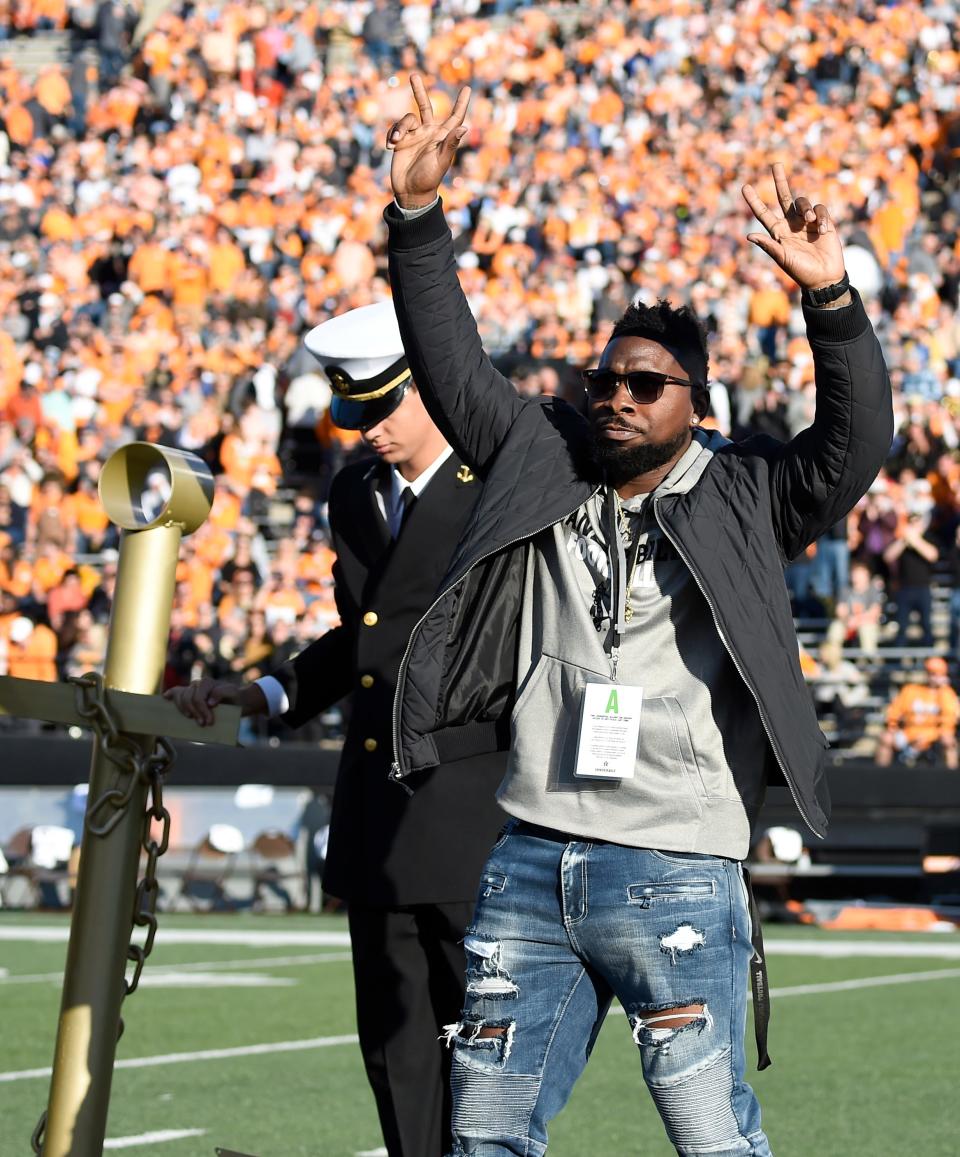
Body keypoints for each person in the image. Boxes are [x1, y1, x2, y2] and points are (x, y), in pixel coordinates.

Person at [381, 76, 893, 1156]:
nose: (618, 393)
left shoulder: (747, 489)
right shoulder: (542, 454)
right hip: (532, 854)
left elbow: (856, 445)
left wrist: (831, 300)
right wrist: (418, 221)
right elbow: (450, 363)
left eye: (648, 382)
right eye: (605, 376)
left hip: (676, 866)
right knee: (484, 1137)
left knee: (714, 1142)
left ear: (694, 401)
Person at [166, 300, 508, 1157]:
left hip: (471, 814)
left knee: (493, 1063)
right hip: (375, 815)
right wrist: (265, 694)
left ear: (432, 383)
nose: (370, 432)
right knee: (398, 1057)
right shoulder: (356, 490)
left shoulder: (498, 480)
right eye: (356, 412)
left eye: (385, 406)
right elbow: (360, 634)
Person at [874, 656, 959, 769]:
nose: (933, 677)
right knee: (886, 738)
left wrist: (943, 689)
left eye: (937, 674)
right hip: (910, 732)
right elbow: (893, 713)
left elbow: (950, 719)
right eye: (931, 673)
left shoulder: (947, 693)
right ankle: (880, 777)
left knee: (949, 741)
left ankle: (952, 780)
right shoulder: (911, 690)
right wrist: (892, 727)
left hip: (934, 734)